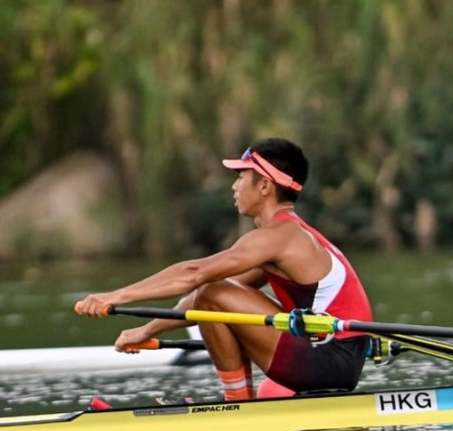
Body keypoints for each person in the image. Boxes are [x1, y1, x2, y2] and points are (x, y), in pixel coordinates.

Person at [74, 138, 373, 400]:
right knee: (216, 293)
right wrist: (148, 329)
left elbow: (195, 274)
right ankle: (242, 404)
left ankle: (235, 403)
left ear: (265, 186)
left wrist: (114, 296)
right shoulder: (289, 237)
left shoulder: (279, 237)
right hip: (333, 359)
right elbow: (208, 298)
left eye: (241, 177)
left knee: (212, 288)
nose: (234, 185)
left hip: (329, 360)